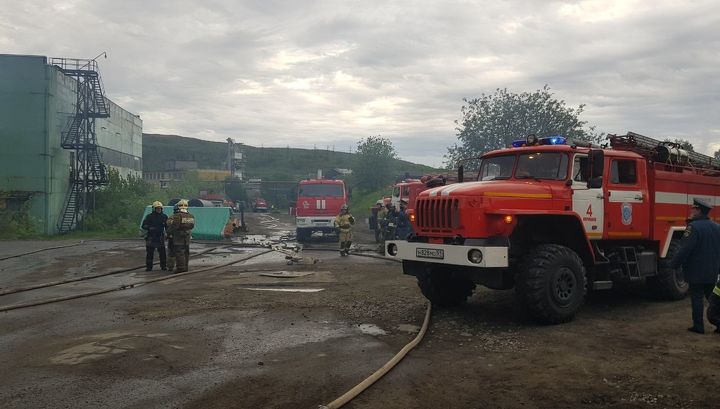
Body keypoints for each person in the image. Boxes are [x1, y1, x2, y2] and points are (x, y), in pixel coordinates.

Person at [671, 198, 720, 334]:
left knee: (697, 298)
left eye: (694, 208)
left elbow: (685, 249)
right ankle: (718, 323)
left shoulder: (693, 228)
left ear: (699, 211)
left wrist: (674, 264)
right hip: (712, 272)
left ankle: (698, 327)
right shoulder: (717, 227)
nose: (692, 211)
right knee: (713, 299)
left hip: (696, 271)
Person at [166, 199, 195, 273]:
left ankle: (180, 268)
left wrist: (168, 233)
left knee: (179, 253)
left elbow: (174, 227)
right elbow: (192, 226)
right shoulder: (191, 216)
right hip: (187, 238)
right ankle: (185, 267)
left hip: (178, 238)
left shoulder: (177, 215)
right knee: (186, 253)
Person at [141, 201, 168, 271]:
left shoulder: (164, 216)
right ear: (154, 209)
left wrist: (168, 234)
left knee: (163, 254)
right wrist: (149, 227)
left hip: (160, 237)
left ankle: (163, 266)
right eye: (157, 208)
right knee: (150, 254)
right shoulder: (149, 217)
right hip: (151, 237)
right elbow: (143, 226)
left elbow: (167, 226)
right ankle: (149, 267)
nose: (159, 210)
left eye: (160, 208)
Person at [165, 203, 180, 272]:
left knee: (172, 253)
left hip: (174, 238)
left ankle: (171, 267)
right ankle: (174, 267)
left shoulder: (172, 217)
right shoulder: (172, 217)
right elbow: (169, 224)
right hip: (176, 238)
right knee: (175, 253)